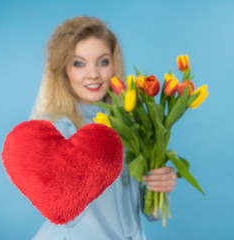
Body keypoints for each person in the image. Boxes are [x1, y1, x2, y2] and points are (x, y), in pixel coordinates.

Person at [31, 16, 177, 240]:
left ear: (114, 65)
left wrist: (160, 186)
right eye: (79, 63)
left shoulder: (132, 123)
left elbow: (151, 213)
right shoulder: (57, 133)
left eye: (103, 61)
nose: (94, 74)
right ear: (63, 70)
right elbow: (64, 215)